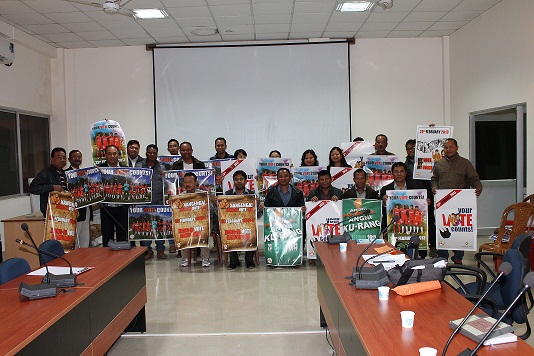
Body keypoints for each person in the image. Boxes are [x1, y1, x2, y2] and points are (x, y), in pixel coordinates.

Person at [431, 138, 482, 264]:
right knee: (442, 229)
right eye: (446, 147)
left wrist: (478, 186)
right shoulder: (439, 164)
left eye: (451, 147)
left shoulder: (465, 163)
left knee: (458, 228)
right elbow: (434, 179)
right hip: (443, 204)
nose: (448, 150)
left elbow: (474, 179)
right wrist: (434, 186)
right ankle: (442, 256)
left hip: (459, 203)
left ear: (456, 148)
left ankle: (458, 256)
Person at [379, 162, 429, 236]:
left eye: (401, 171)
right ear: (392, 173)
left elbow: (422, 208)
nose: (399, 174)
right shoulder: (385, 190)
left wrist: (426, 203)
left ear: (406, 173)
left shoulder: (416, 189)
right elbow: (381, 211)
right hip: (391, 227)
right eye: (396, 171)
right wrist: (383, 203)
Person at [405, 138, 435, 258]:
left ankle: (432, 246)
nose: (410, 150)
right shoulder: (405, 164)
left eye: (413, 148)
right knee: (414, 222)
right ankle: (415, 246)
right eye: (408, 148)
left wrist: (430, 196)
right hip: (412, 198)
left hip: (426, 197)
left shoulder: (426, 162)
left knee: (430, 223)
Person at [136, 144, 167, 260]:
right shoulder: (139, 166)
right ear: (146, 153)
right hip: (143, 201)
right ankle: (147, 250)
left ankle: (160, 249)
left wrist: (166, 177)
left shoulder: (162, 167)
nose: (152, 155)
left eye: (154, 153)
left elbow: (168, 184)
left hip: (159, 201)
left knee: (159, 226)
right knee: (146, 227)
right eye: (150, 153)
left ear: (157, 154)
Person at [225, 170, 256, 270]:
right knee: (230, 233)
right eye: (236, 179)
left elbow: (257, 215)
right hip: (232, 223)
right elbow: (222, 213)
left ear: (245, 181)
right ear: (233, 181)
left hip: (247, 224)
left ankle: (249, 261)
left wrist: (258, 207)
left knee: (251, 232)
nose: (239, 181)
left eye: (241, 179)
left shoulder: (252, 195)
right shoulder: (227, 194)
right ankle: (233, 261)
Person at [98, 145, 129, 247]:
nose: (112, 156)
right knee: (107, 236)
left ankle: (123, 260)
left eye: (114, 153)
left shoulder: (126, 170)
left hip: (122, 208)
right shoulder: (99, 170)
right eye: (109, 154)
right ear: (105, 155)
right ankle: (108, 261)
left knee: (122, 235)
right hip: (106, 208)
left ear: (119, 155)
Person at [179, 172, 210, 268]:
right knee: (181, 228)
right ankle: (185, 258)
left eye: (190, 182)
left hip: (201, 222)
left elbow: (211, 210)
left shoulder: (203, 195)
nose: (187, 184)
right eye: (185, 182)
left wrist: (209, 202)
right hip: (187, 222)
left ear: (196, 182)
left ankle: (205, 258)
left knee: (204, 228)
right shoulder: (180, 197)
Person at [30, 147, 69, 217]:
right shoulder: (46, 173)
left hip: (64, 211)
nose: (62, 160)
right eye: (59, 157)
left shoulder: (64, 173)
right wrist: (52, 187)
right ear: (52, 159)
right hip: (51, 213)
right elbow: (33, 188)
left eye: (64, 158)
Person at [66, 149, 91, 248]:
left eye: (79, 157)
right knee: (76, 236)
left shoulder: (84, 173)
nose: (77, 159)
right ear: (69, 159)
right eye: (74, 157)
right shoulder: (66, 174)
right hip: (74, 209)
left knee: (85, 236)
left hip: (86, 207)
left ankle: (85, 256)